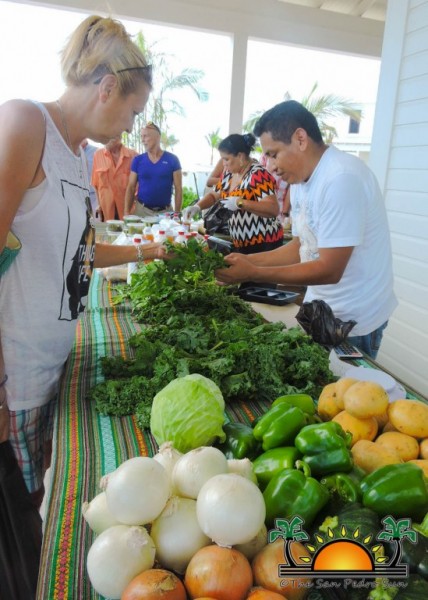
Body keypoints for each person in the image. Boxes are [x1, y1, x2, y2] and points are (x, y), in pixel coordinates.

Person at [0, 15, 166, 510]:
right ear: (107, 88)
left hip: (54, 361)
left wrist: (148, 251)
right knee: (23, 515)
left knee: (43, 504)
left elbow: (81, 252)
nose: (131, 126)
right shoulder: (25, 122)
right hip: (17, 374)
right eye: (133, 111)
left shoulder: (77, 154)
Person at [216, 100, 397, 358]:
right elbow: (300, 246)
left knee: (346, 394)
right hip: (319, 310)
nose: (271, 165)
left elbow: (330, 269)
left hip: (354, 322)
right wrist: (245, 259)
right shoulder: (301, 180)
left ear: (300, 139)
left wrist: (254, 271)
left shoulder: (341, 178)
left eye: (274, 153)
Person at [184, 133, 283, 254]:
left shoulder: (257, 174)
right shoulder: (230, 174)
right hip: (241, 241)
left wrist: (240, 202)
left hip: (263, 243)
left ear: (240, 156)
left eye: (226, 159)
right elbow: (214, 195)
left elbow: (273, 208)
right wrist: (197, 207)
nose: (223, 164)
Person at [124, 122, 183, 216]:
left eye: (146, 136)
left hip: (165, 213)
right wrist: (126, 212)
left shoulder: (172, 160)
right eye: (141, 136)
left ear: (157, 137)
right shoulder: (137, 160)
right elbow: (131, 187)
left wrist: (177, 213)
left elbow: (178, 189)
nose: (143, 140)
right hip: (141, 212)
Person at [91, 135, 137, 221]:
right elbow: (96, 184)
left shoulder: (133, 156)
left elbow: (138, 186)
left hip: (128, 211)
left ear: (118, 136)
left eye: (109, 135)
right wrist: (100, 205)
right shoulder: (98, 155)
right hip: (107, 210)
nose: (105, 140)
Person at [80, 138, 98, 216]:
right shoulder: (68, 152)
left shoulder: (97, 152)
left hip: (93, 198)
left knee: (94, 225)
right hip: (76, 197)